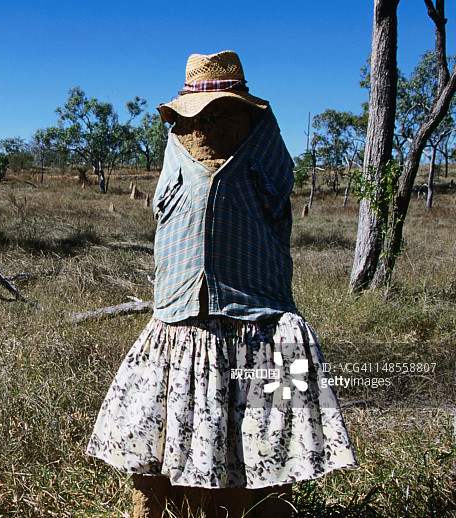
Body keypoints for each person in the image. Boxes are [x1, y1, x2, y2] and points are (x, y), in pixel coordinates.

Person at [86, 51, 357, 518]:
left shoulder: (265, 147)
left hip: (261, 328)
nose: (206, 127)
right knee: (156, 449)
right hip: (177, 322)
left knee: (266, 451)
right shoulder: (175, 149)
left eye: (222, 113)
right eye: (196, 117)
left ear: (246, 112)